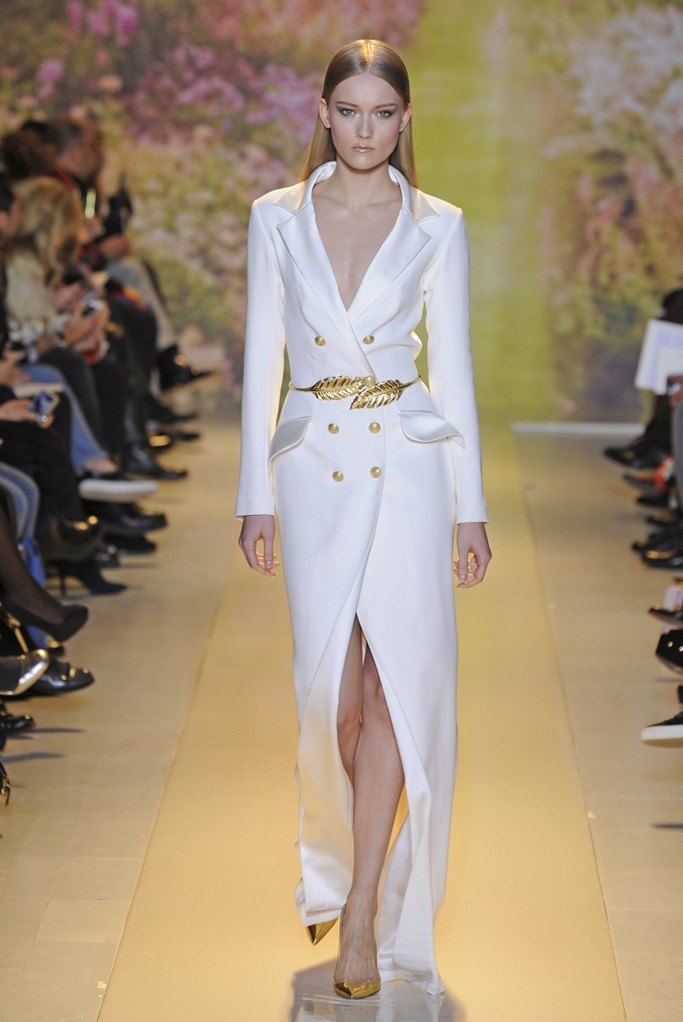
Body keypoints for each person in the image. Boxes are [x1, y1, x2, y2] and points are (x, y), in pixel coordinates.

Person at [236, 39, 491, 1000]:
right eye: (349, 111)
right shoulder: (276, 217)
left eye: (382, 114)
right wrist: (253, 494)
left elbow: (453, 370)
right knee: (331, 700)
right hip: (311, 474)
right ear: (322, 112)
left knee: (394, 694)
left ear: (403, 120)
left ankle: (360, 910)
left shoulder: (436, 224)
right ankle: (351, 862)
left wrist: (469, 509)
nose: (364, 130)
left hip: (409, 470)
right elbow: (263, 358)